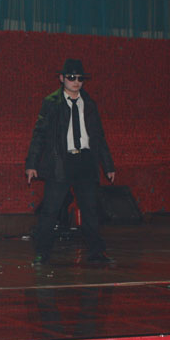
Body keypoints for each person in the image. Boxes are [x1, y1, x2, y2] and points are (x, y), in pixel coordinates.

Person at [25, 59, 116, 264]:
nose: (76, 82)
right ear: (62, 78)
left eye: (80, 78)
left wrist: (108, 165)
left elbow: (98, 136)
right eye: (71, 77)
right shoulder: (52, 103)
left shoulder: (89, 103)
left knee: (90, 209)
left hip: (85, 160)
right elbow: (39, 134)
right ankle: (42, 253)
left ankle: (96, 252)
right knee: (51, 209)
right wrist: (32, 164)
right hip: (61, 161)